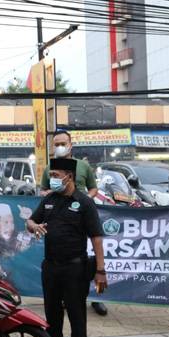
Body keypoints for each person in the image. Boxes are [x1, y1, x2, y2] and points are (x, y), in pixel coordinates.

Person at [27, 158, 107, 337]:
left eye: (55, 175)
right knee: (52, 314)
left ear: (69, 177)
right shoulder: (49, 200)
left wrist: (101, 270)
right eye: (51, 175)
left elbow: (97, 238)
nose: (52, 180)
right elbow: (30, 222)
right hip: (51, 267)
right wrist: (34, 226)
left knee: (76, 314)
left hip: (75, 269)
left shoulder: (84, 202)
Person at [40, 130, 106, 317]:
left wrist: (86, 200)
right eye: (56, 144)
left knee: (84, 254)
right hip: (58, 218)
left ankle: (96, 299)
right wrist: (47, 194)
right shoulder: (49, 167)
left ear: (71, 145)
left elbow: (94, 188)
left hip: (81, 215)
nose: (59, 147)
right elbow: (43, 189)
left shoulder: (84, 166)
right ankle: (62, 299)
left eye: (63, 143)